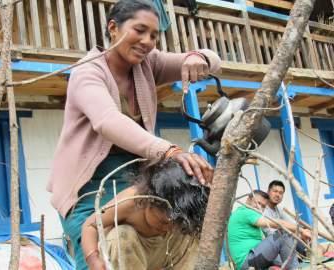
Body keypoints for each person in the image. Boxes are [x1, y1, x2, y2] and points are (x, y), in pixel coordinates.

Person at [47, 0, 221, 269]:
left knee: (149, 251)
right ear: (113, 28)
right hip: (87, 186)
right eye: (139, 30)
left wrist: (199, 57)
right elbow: (107, 121)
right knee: (98, 258)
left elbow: (214, 63)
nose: (147, 41)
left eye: (153, 35)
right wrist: (169, 151)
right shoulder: (87, 72)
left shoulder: (148, 64)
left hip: (136, 181)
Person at [82, 158, 210, 270]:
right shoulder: (131, 202)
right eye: (163, 222)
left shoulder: (174, 222)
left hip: (162, 254)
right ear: (148, 202)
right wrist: (93, 260)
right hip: (128, 256)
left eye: (173, 224)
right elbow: (90, 225)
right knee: (122, 235)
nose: (167, 228)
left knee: (190, 234)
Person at [227, 190, 311, 270]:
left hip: (254, 259)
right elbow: (277, 224)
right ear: (248, 199)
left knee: (289, 258)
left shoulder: (247, 216)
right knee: (282, 234)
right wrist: (302, 230)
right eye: (258, 203)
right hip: (248, 261)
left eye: (263, 206)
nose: (259, 207)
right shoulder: (246, 211)